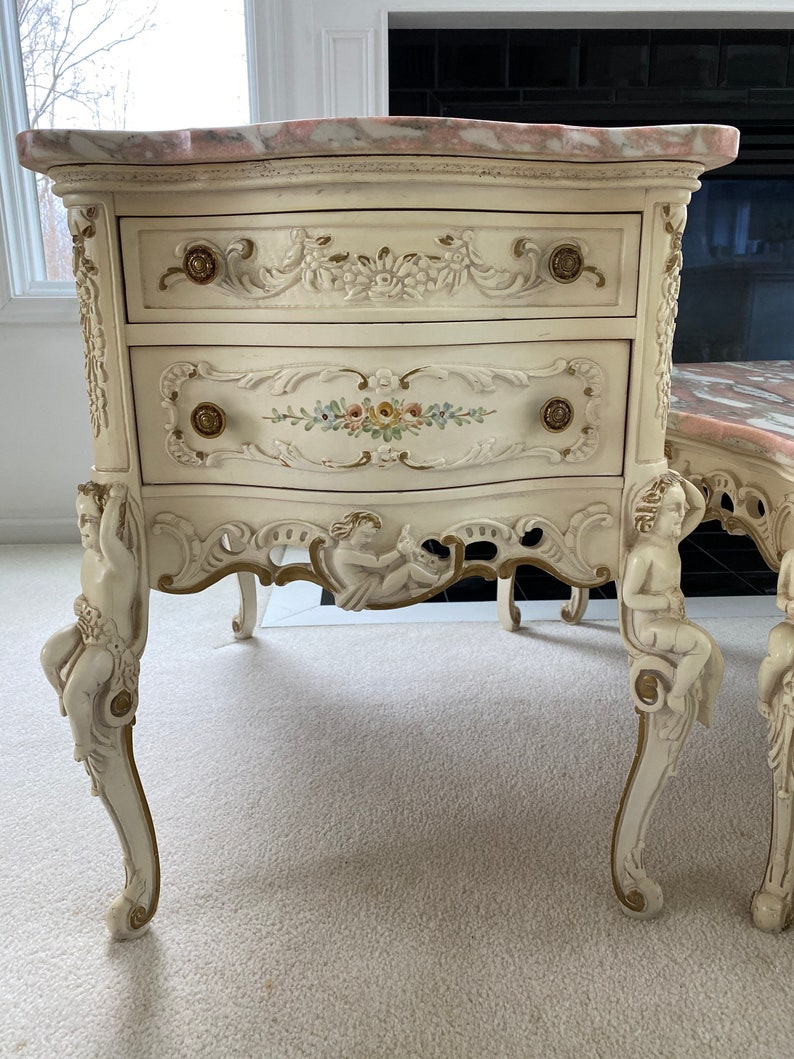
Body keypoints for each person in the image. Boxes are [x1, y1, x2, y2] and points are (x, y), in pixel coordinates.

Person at [40, 482, 138, 761]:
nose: (80, 525)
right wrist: (80, 604)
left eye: (89, 519)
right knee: (48, 657)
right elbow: (88, 595)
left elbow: (107, 538)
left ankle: (83, 743)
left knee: (76, 694)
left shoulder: (120, 563)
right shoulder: (89, 558)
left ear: (112, 522)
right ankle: (62, 695)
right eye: (78, 518)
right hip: (86, 629)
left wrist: (117, 497)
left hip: (109, 644)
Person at [623, 472, 712, 714]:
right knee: (701, 646)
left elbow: (698, 508)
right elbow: (629, 597)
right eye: (673, 509)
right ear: (653, 513)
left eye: (681, 507)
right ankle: (676, 694)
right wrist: (665, 600)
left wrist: (679, 480)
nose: (682, 513)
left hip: (672, 618)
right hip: (650, 627)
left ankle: (694, 695)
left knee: (710, 656)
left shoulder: (671, 542)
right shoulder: (642, 554)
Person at [326, 510, 444, 610]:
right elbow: (378, 562)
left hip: (377, 584)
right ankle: (436, 579)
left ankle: (415, 583)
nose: (369, 541)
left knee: (398, 562)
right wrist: (399, 551)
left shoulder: (347, 552)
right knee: (409, 568)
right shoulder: (345, 554)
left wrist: (401, 546)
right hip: (377, 590)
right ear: (349, 529)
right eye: (366, 535)